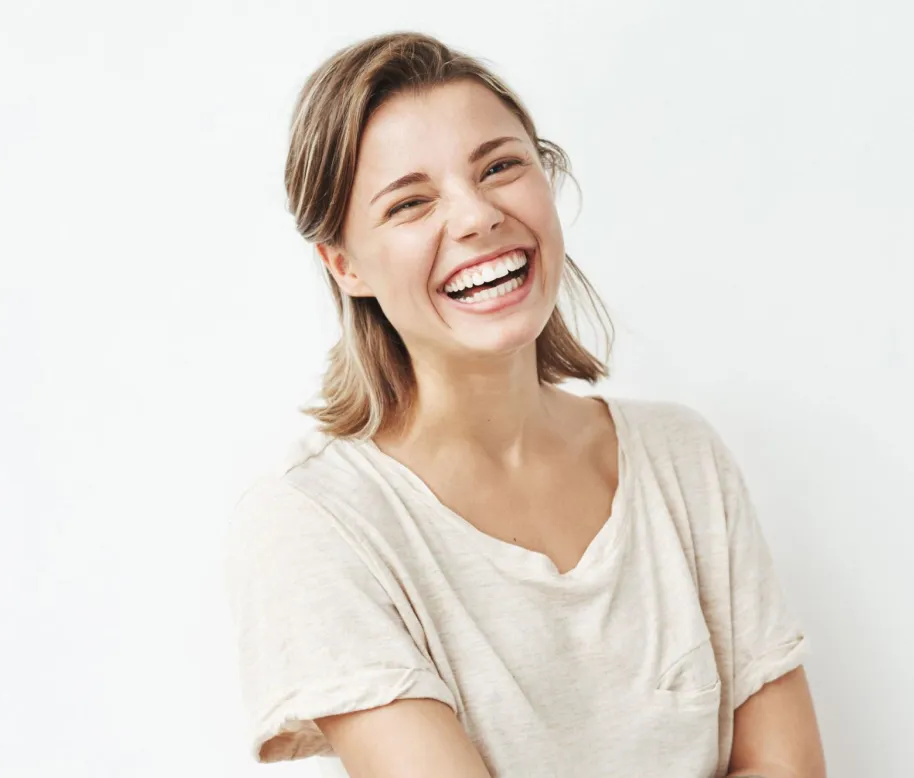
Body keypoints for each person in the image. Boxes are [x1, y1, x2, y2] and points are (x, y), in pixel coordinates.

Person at [224, 30, 826, 778]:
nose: (477, 216)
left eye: (499, 167)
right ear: (344, 265)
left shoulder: (681, 459)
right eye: (410, 203)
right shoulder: (316, 521)